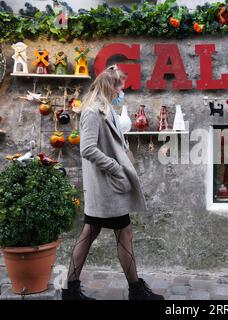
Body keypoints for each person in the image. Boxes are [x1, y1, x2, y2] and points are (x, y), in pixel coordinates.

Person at [61, 65, 164, 300]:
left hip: (109, 186)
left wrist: (126, 162)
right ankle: (135, 290)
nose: (122, 92)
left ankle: (71, 289)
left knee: (92, 232)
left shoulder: (106, 110)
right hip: (106, 187)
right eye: (120, 87)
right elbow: (87, 149)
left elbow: (116, 144)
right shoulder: (91, 112)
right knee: (122, 233)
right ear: (110, 86)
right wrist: (116, 168)